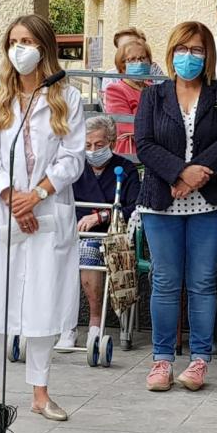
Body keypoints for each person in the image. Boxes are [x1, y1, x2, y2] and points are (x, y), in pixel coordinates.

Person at [0, 14, 86, 423]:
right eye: (13, 40)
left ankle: (40, 392)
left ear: (44, 47)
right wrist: (15, 199)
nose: (20, 48)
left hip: (46, 212)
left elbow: (73, 157)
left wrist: (38, 195)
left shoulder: (67, 96)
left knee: (43, 304)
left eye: (28, 40)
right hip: (1, 212)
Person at [135, 21, 217, 392]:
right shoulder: (153, 95)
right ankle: (162, 360)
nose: (189, 57)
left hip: (209, 202)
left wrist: (198, 176)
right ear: (171, 52)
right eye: (183, 49)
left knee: (202, 281)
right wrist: (179, 173)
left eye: (197, 50)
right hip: (162, 200)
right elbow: (144, 144)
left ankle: (198, 360)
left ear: (208, 55)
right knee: (164, 281)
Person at [56, 116, 141, 350]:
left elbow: (135, 206)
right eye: (87, 146)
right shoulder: (74, 168)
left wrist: (101, 216)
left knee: (88, 252)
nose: (93, 151)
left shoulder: (126, 169)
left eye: (99, 145)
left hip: (108, 235)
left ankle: (94, 323)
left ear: (111, 142)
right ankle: (65, 324)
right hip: (71, 230)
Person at [104, 39, 152, 155]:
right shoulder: (115, 90)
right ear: (122, 66)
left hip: (156, 154)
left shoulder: (152, 88)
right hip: (131, 154)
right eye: (132, 60)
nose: (139, 63)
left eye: (142, 58)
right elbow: (128, 127)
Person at [100, 27, 165, 90]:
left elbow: (163, 92)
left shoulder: (153, 68)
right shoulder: (110, 77)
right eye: (123, 47)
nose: (130, 49)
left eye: (133, 44)